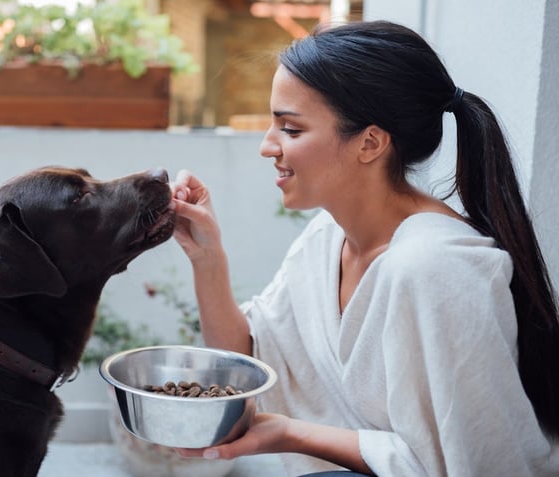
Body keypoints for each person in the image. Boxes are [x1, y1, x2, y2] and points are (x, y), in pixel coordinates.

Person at [169, 20, 559, 476]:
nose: (267, 146)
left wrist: (291, 432)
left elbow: (474, 462)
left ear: (370, 143)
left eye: (291, 129)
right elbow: (246, 360)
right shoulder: (326, 240)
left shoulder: (436, 269)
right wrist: (207, 257)